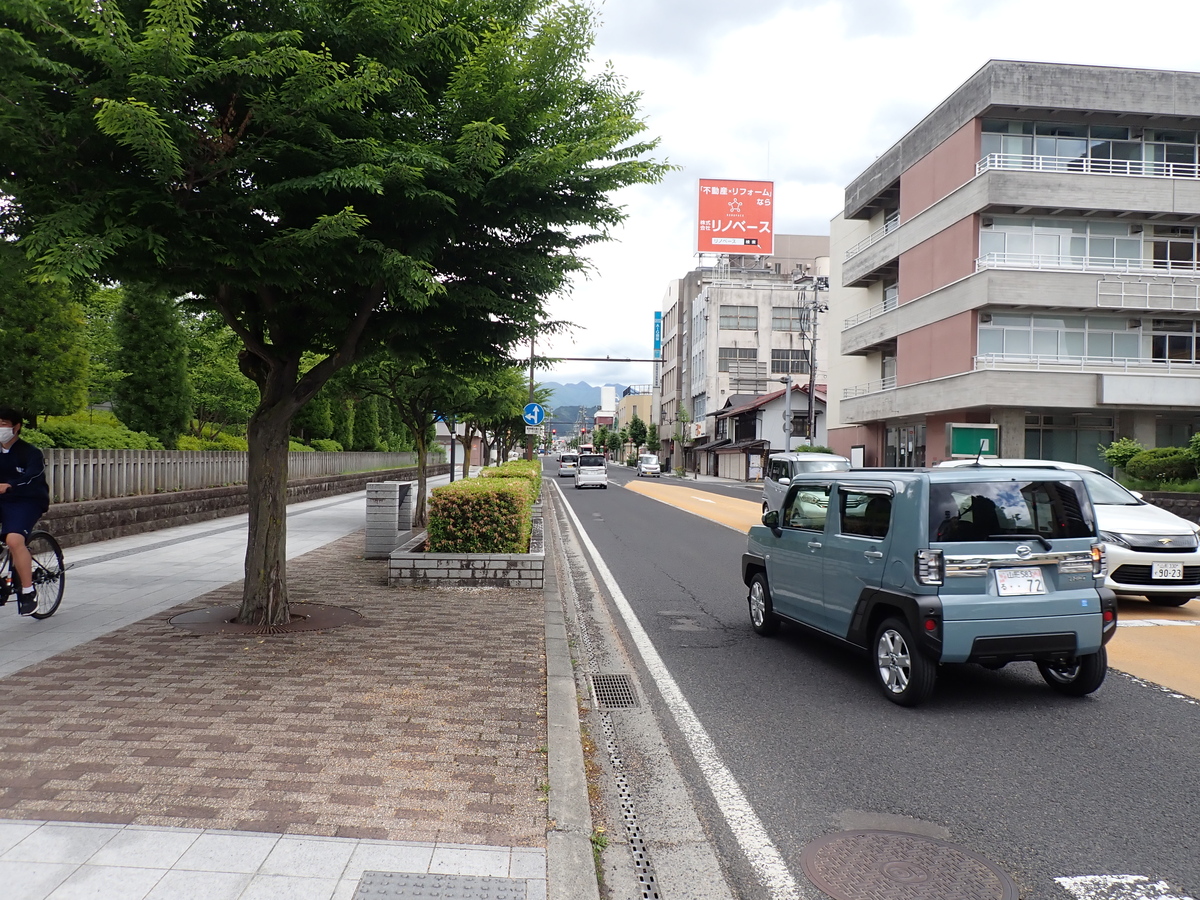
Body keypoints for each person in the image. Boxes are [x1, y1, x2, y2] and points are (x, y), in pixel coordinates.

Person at [0, 408, 50, 615]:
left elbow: (32, 476)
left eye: (3, 423)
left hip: (26, 500)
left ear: (16, 427)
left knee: (14, 540)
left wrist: (10, 485)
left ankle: (28, 592)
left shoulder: (31, 453)